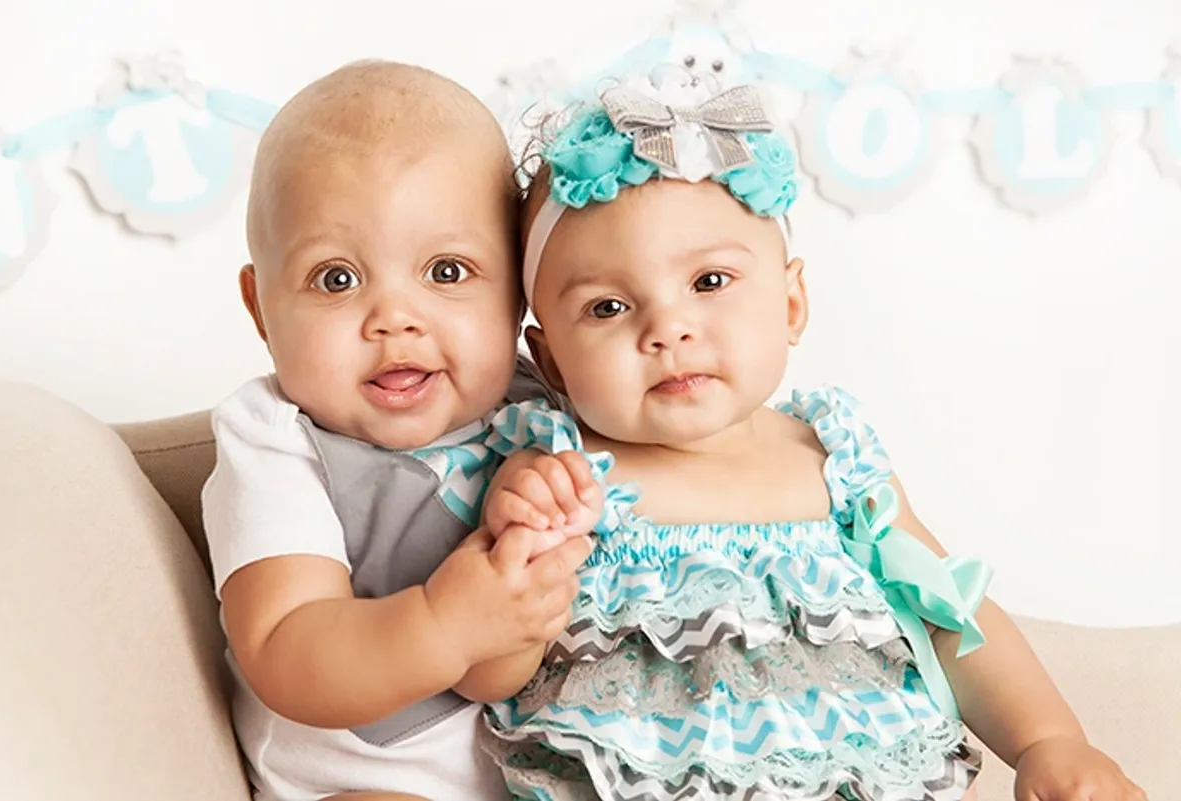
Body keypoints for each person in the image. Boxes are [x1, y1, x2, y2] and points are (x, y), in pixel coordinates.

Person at [472, 71, 1147, 800]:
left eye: (709, 282)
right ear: (551, 361)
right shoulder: (562, 477)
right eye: (607, 306)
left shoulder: (835, 461)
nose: (668, 328)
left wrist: (1048, 739)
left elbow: (951, 615)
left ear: (792, 303)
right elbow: (487, 673)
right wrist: (519, 568)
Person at [200, 59, 593, 801]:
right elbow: (285, 649)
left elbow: (497, 669)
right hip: (361, 785)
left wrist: (520, 567)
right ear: (261, 308)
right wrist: (445, 625)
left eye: (446, 271)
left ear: (517, 292)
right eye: (337, 279)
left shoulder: (540, 411)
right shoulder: (276, 443)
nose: (394, 318)